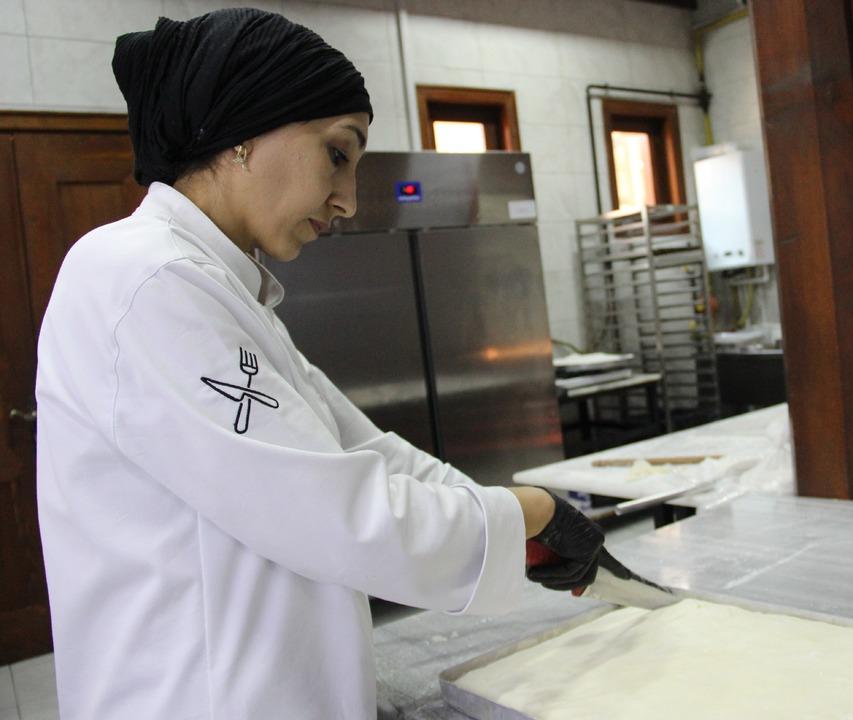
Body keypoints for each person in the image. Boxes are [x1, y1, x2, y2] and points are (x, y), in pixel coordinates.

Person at [34, 9, 603, 719]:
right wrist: (529, 512)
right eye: (338, 153)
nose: (347, 199)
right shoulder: (142, 279)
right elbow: (336, 512)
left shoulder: (225, 288)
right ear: (242, 130)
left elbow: (369, 453)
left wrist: (513, 522)